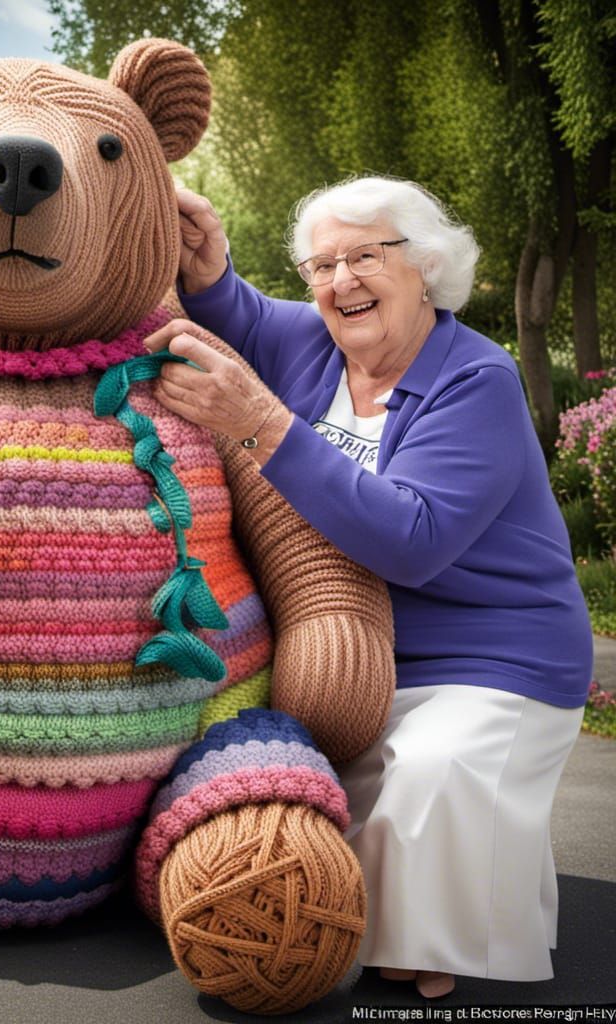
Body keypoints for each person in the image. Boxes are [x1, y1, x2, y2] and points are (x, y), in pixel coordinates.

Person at [143, 176, 593, 999]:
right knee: (288, 784)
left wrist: (263, 425)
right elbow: (237, 313)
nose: (340, 281)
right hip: (366, 660)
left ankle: (435, 939)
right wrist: (207, 263)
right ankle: (400, 912)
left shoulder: (477, 379)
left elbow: (410, 540)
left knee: (433, 767)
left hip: (494, 659)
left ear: (425, 267)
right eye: (321, 266)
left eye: (364, 257)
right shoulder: (312, 343)